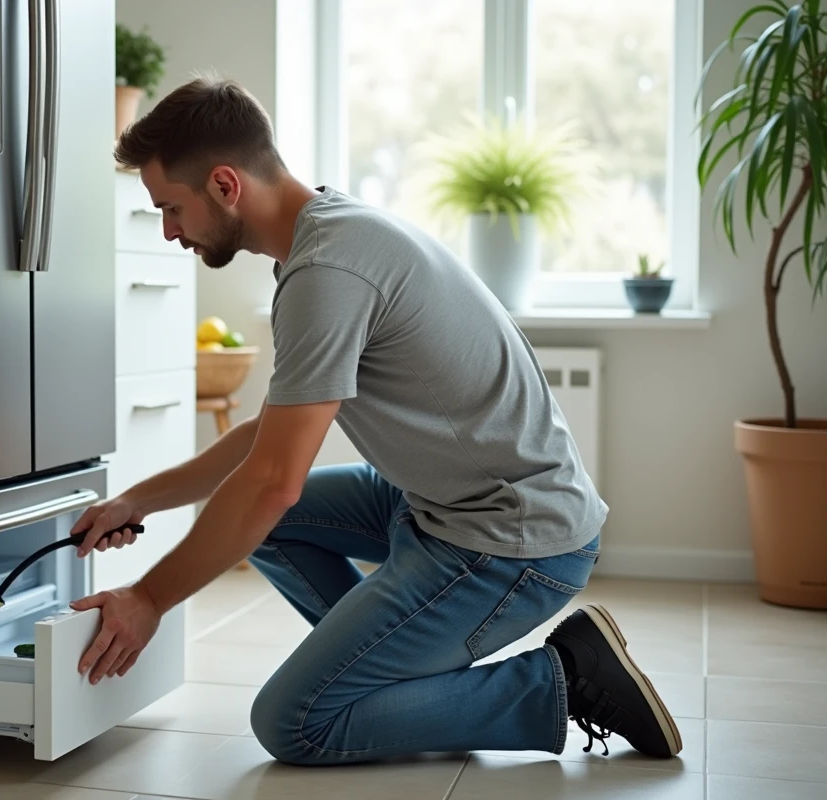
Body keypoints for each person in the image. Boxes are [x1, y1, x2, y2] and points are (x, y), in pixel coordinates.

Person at [67, 75, 682, 766]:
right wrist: (137, 500)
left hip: (512, 541)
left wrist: (149, 598)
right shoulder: (327, 233)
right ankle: (388, 671)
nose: (168, 230)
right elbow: (266, 441)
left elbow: (272, 483)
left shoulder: (326, 271)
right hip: (445, 504)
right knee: (271, 525)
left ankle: (563, 680)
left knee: (297, 722)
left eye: (171, 208)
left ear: (225, 185)